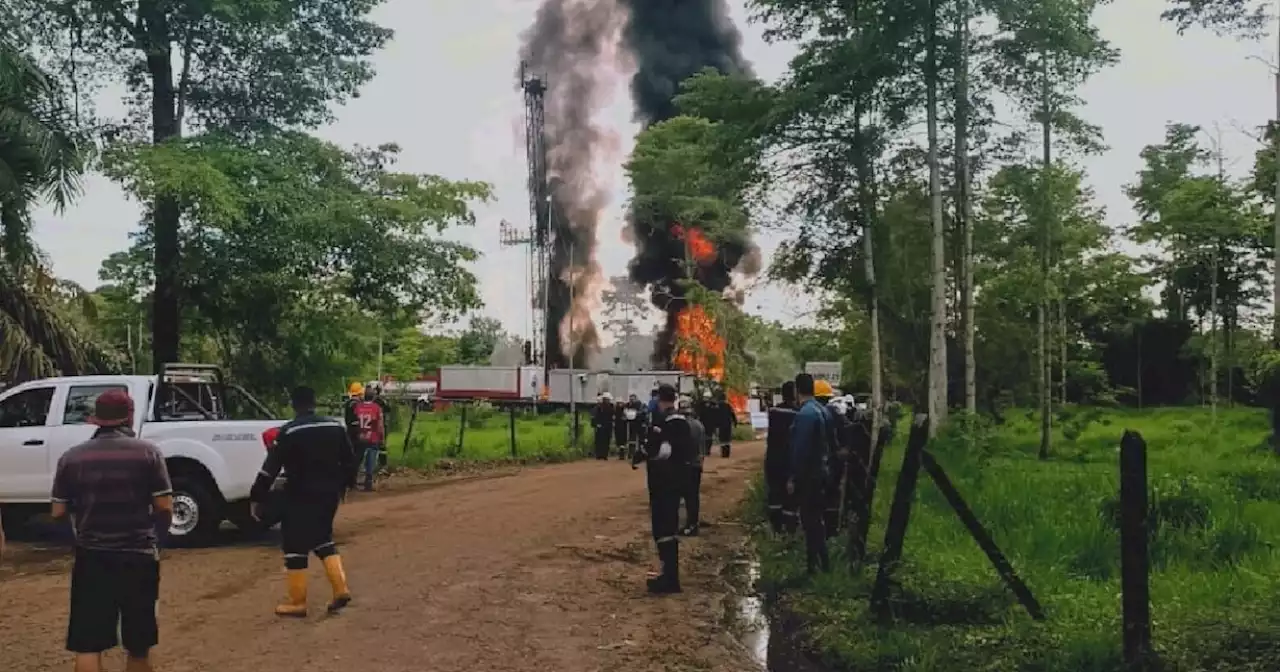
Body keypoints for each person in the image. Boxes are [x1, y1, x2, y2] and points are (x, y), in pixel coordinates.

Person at [49, 389, 173, 672]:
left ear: (96, 419)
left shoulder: (72, 458)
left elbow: (58, 512)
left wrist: (76, 540)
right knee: (138, 646)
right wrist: (157, 541)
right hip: (138, 556)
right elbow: (164, 507)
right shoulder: (148, 453)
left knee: (88, 645)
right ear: (128, 416)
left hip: (92, 557)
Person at [250, 386, 356, 617]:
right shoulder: (335, 427)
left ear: (294, 405)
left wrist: (257, 496)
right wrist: (345, 486)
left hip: (298, 495)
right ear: (314, 402)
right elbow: (350, 460)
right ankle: (340, 588)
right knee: (322, 538)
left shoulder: (289, 432)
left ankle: (297, 603)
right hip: (329, 495)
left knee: (295, 546)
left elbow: (270, 469)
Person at [631, 383, 693, 593]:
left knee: (664, 528)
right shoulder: (677, 421)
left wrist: (648, 454)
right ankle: (668, 575)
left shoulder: (672, 423)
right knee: (667, 527)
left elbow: (665, 452)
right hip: (671, 482)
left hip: (665, 483)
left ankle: (670, 579)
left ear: (660, 400)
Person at [789, 373, 831, 574]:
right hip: (822, 472)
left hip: (809, 475)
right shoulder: (823, 411)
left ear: (797, 390)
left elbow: (800, 450)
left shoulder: (805, 414)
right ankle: (823, 563)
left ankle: (814, 566)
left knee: (810, 520)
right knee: (817, 520)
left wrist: (793, 477)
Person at [765, 381, 798, 534]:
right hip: (789, 461)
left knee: (774, 495)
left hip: (772, 460)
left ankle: (776, 530)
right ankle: (789, 531)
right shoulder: (798, 414)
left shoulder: (773, 412)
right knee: (790, 499)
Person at [678, 396, 706, 536]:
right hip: (696, 464)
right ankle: (692, 523)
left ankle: (688, 524)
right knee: (693, 496)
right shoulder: (699, 425)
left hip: (683, 464)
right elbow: (703, 447)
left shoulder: (681, 426)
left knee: (680, 496)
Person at [352, 388, 386, 491]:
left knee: (358, 459)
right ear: (374, 397)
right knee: (371, 460)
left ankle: (352, 481)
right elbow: (380, 424)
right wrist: (382, 437)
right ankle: (368, 482)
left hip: (361, 436)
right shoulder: (376, 408)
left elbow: (355, 422)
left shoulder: (358, 407)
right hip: (372, 437)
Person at [591, 393, 615, 460]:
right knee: (599, 440)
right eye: (606, 399)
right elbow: (597, 416)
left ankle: (605, 455)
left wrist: (612, 422)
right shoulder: (599, 407)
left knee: (606, 441)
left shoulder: (611, 407)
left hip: (608, 426)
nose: (607, 400)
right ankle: (599, 454)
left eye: (608, 399)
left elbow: (613, 416)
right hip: (600, 426)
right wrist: (597, 424)